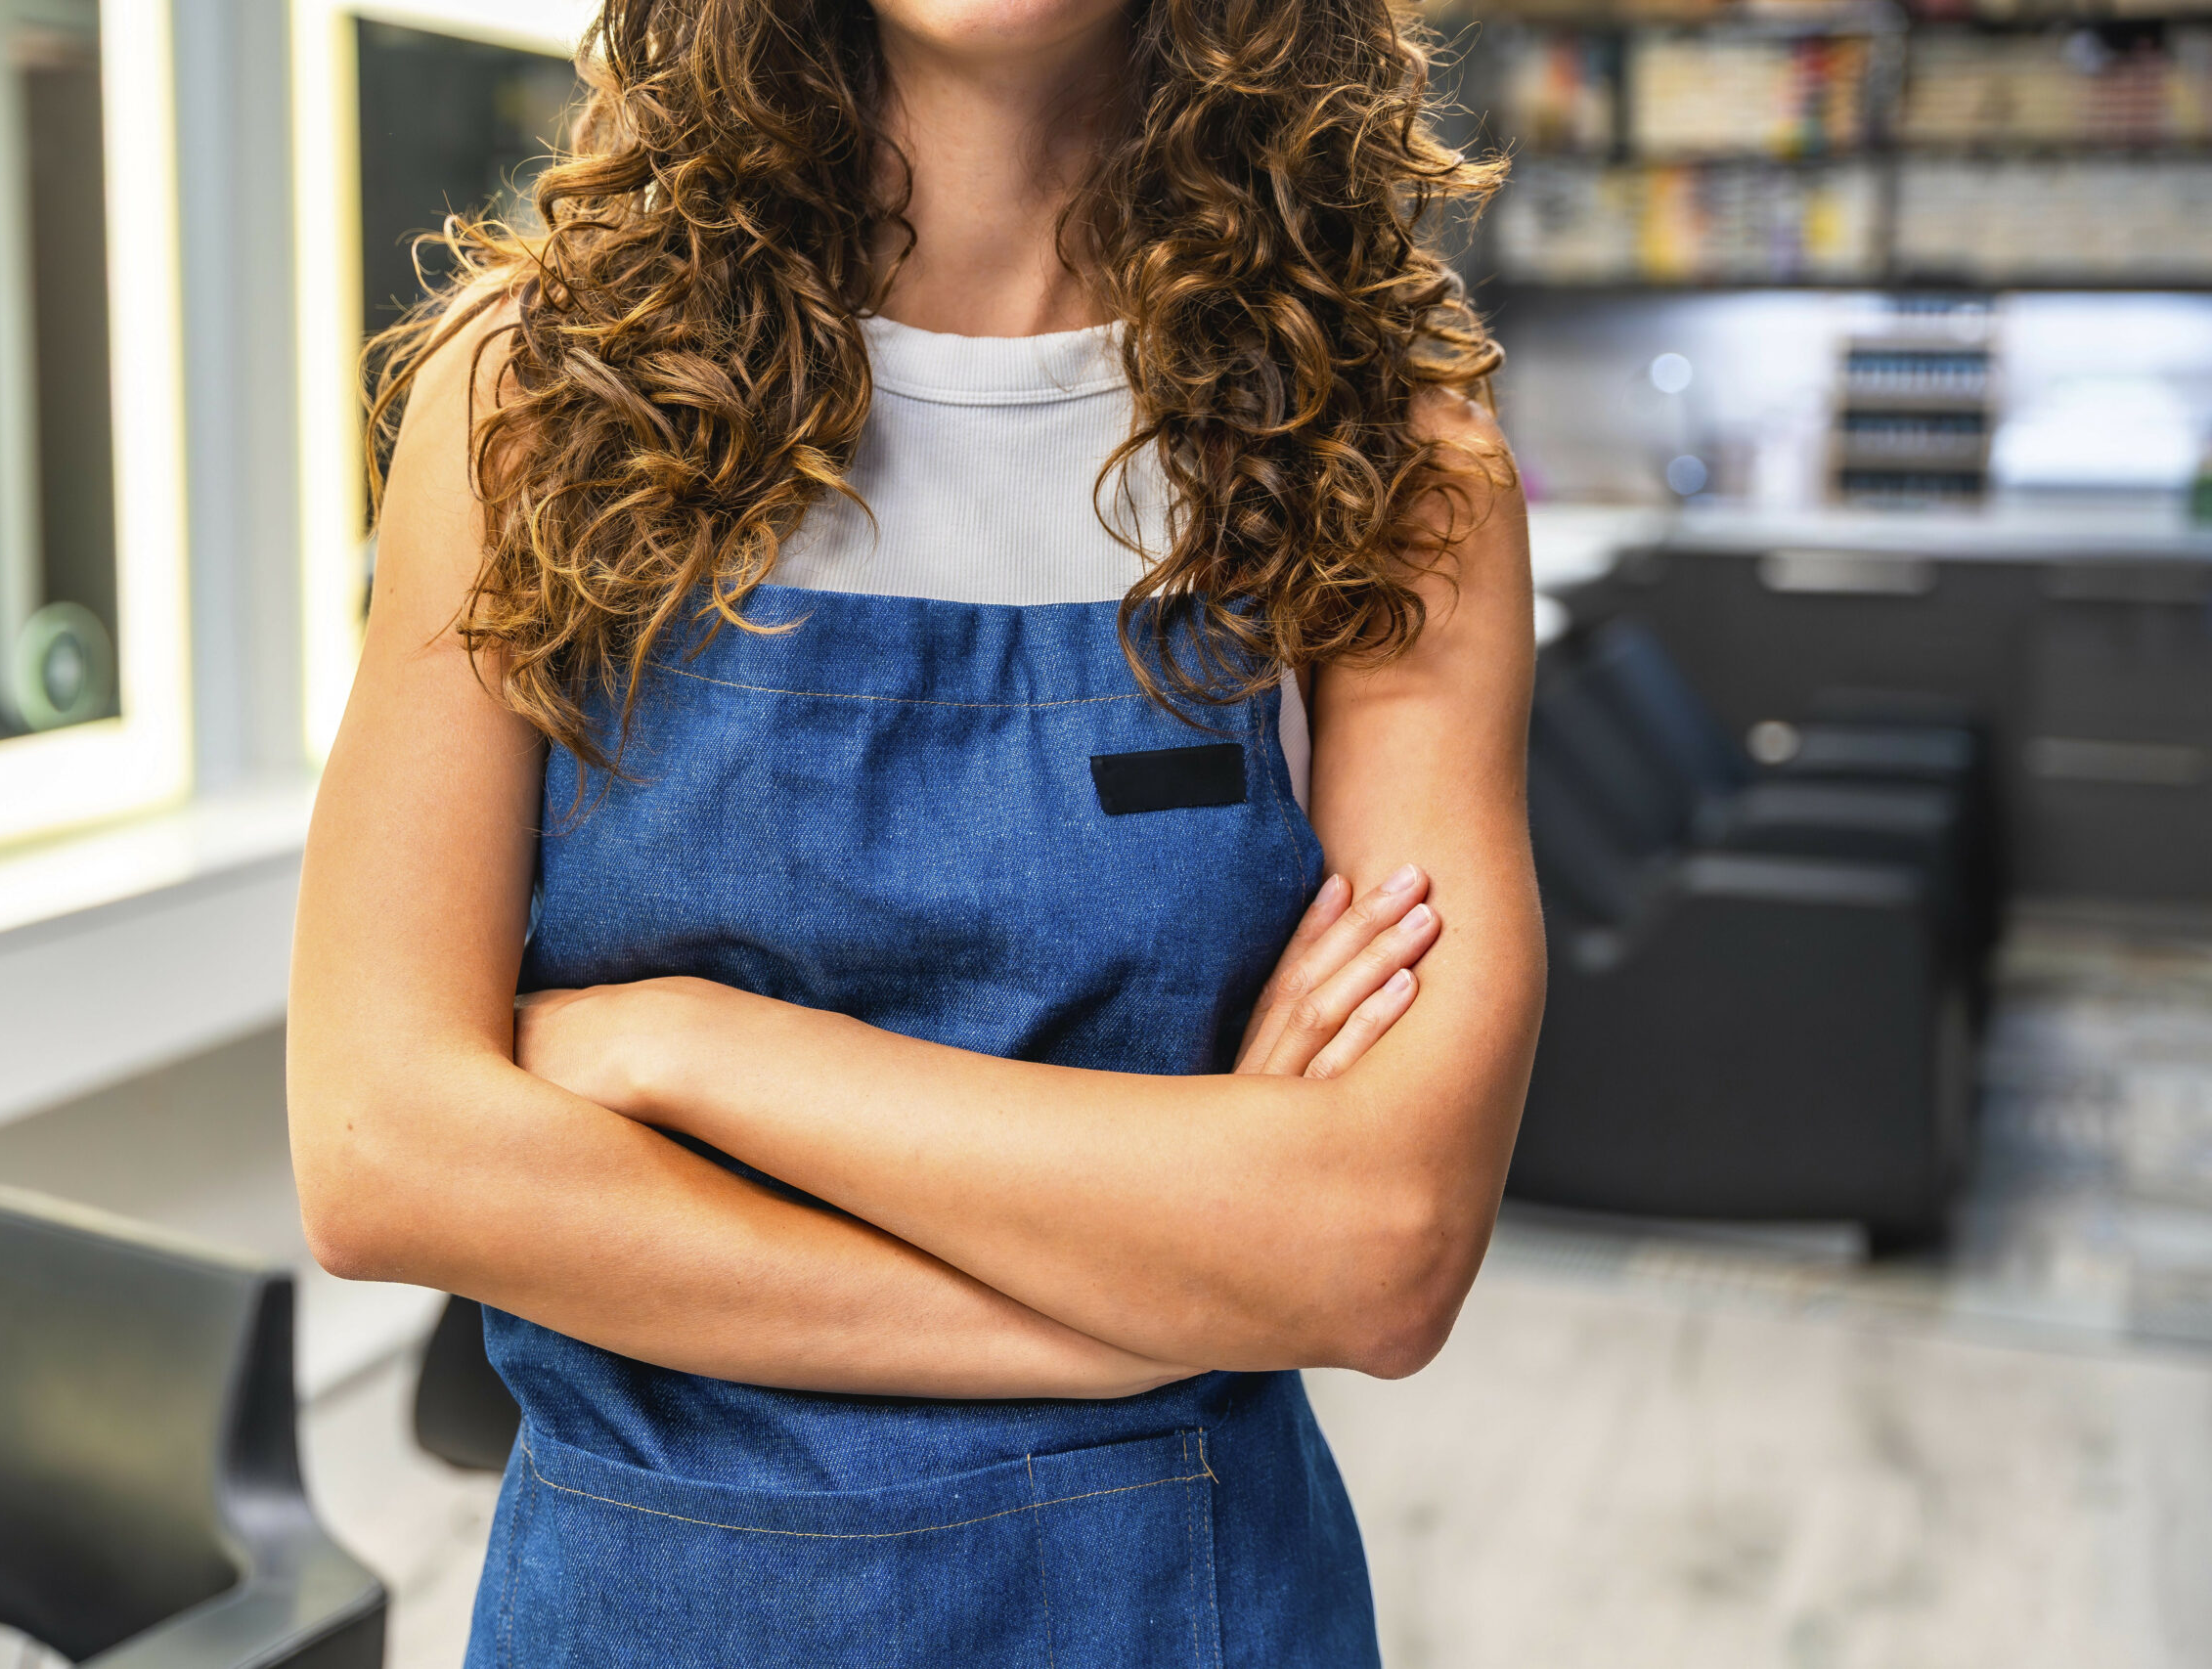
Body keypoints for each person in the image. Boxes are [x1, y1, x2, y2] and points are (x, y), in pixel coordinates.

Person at [288, 0, 1543, 1658]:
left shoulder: (1380, 455)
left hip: (1174, 1612)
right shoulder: (535, 400)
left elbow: (1380, 1244)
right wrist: (1123, 1317)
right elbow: (386, 1157)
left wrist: (690, 1047)